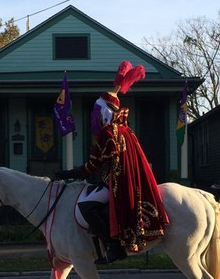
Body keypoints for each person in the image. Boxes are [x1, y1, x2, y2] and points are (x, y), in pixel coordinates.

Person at [56, 61, 169, 263]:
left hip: (116, 183)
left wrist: (68, 173)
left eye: (96, 112)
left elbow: (92, 166)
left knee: (86, 206)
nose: (94, 116)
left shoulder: (108, 133)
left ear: (103, 112)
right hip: (125, 180)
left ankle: (113, 246)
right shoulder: (126, 130)